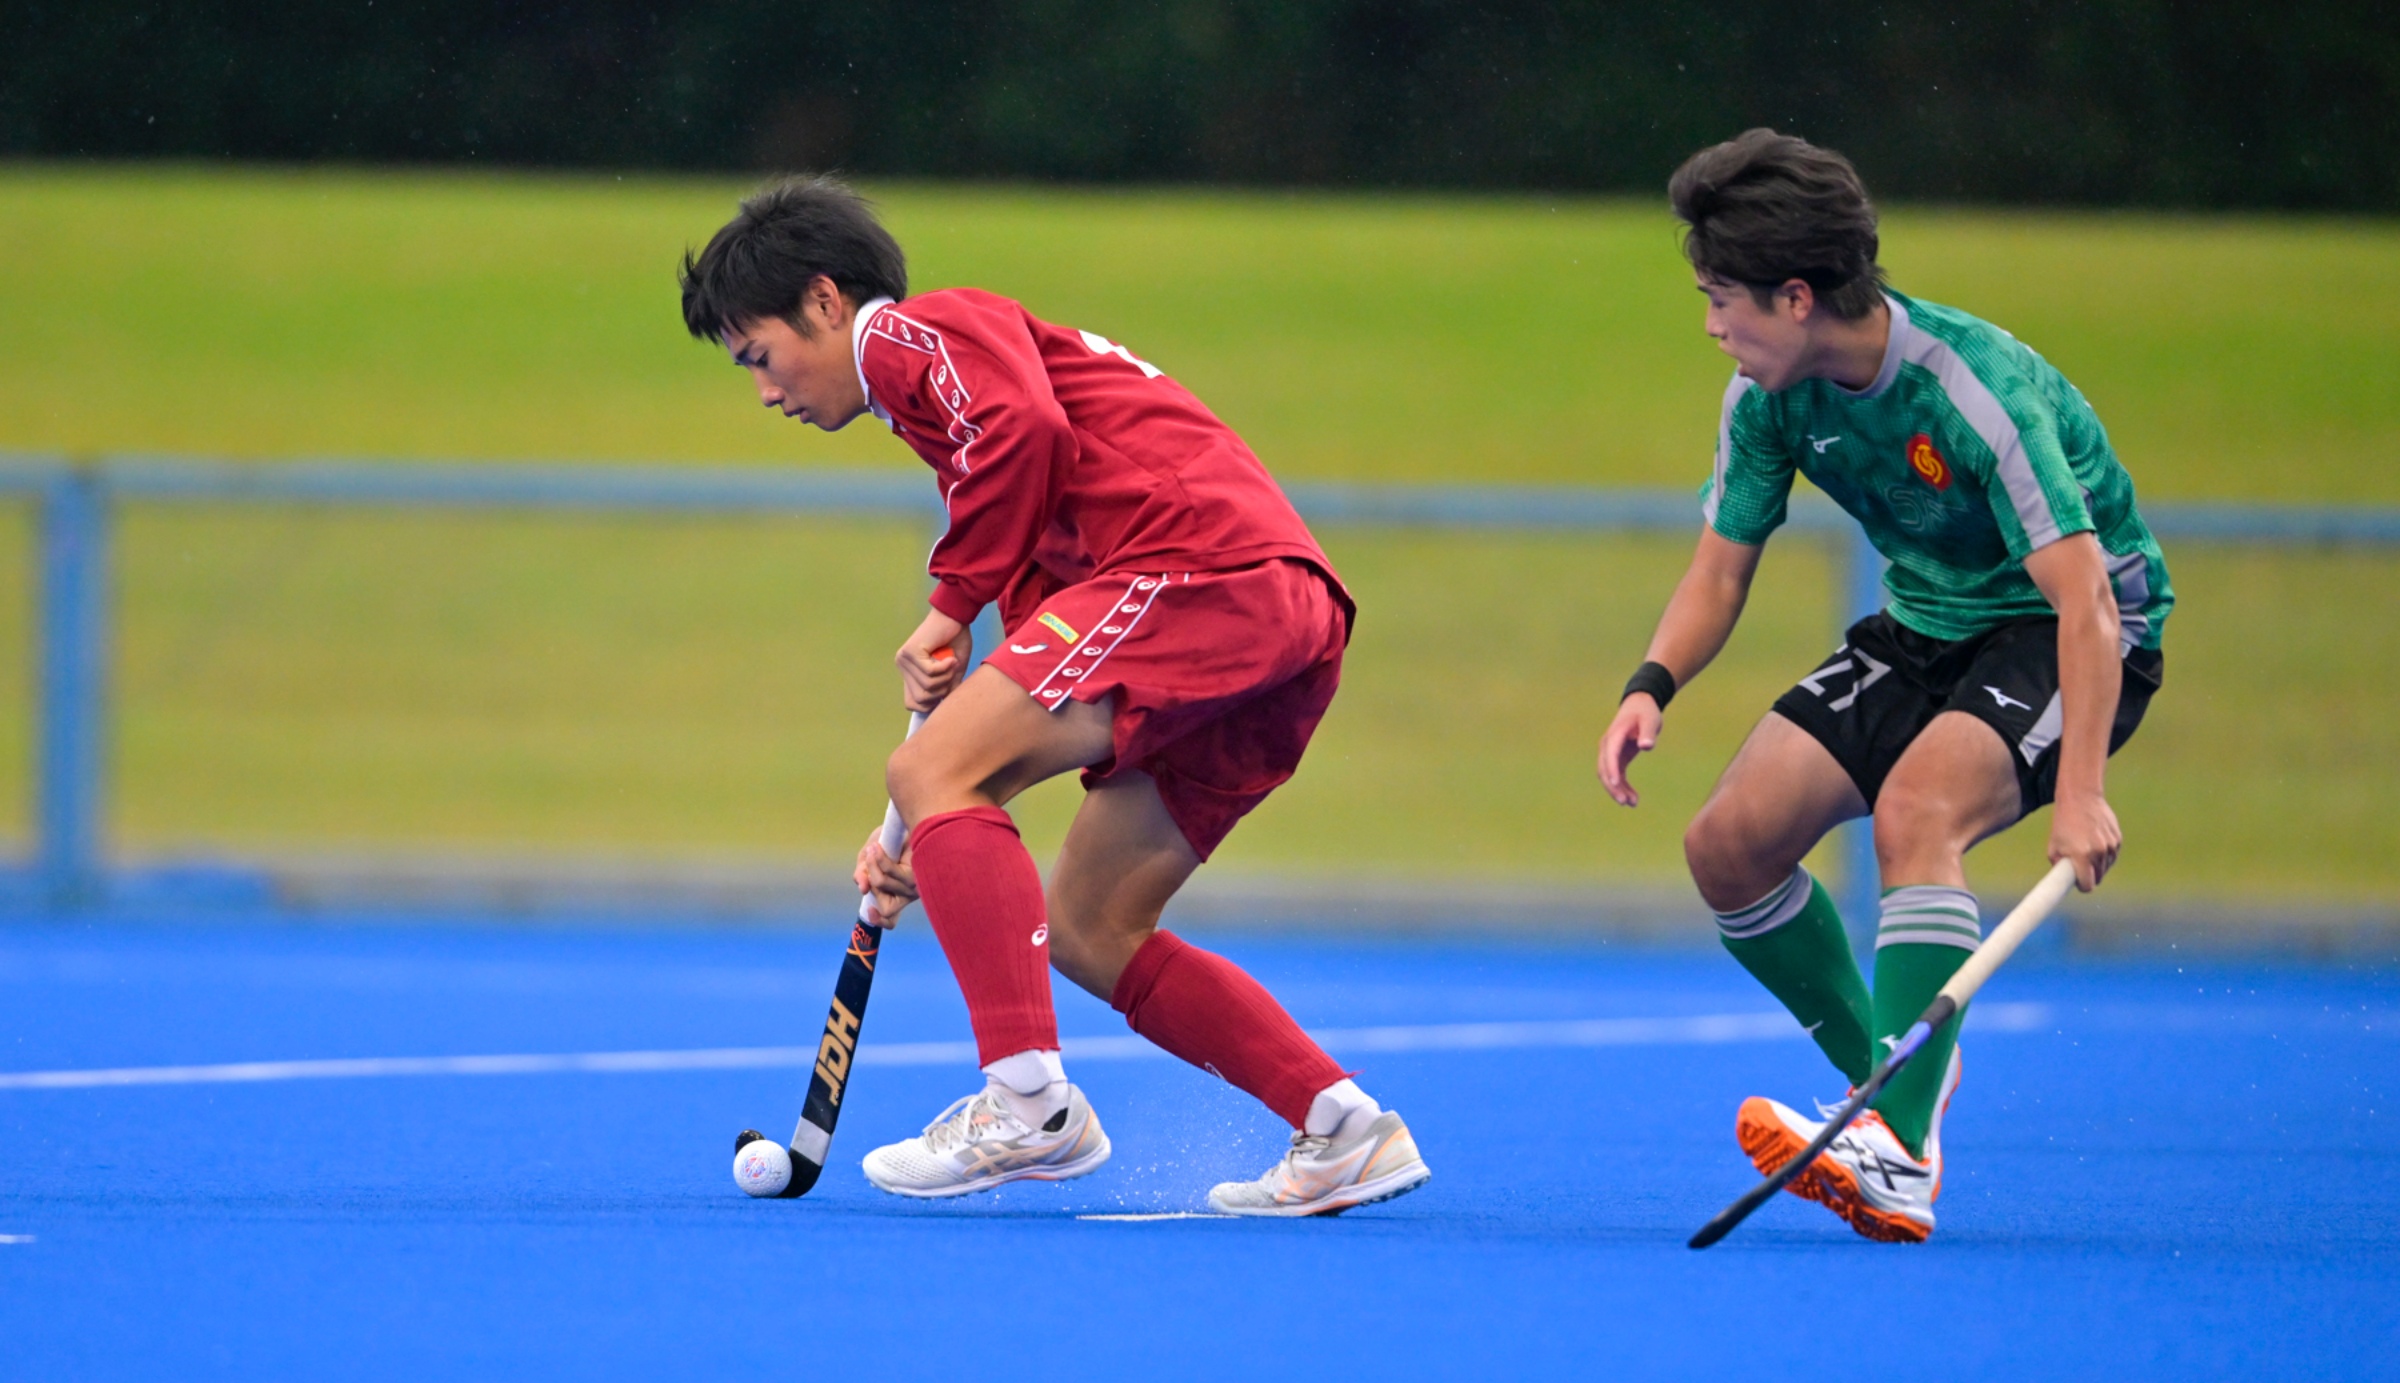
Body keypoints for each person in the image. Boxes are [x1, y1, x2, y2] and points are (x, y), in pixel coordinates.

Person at [678, 177, 1429, 1217]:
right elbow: (1039, 563)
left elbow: (1023, 429)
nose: (765, 392)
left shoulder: (907, 336)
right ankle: (1344, 1128)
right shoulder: (949, 416)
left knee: (936, 769)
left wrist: (949, 619)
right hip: (1272, 613)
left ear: (823, 301)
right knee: (1089, 925)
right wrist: (935, 820)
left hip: (1204, 571)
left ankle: (1029, 1105)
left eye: (757, 356)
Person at [1598, 130, 2172, 1242]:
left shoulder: (1978, 394)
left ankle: (1899, 1149)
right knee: (1728, 845)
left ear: (1797, 297)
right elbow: (1721, 570)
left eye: (1723, 301)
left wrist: (2083, 792)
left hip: (2068, 631)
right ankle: (1890, 1083)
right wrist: (1651, 683)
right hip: (1924, 625)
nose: (1713, 326)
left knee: (1919, 811)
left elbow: (2088, 605)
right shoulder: (1765, 396)